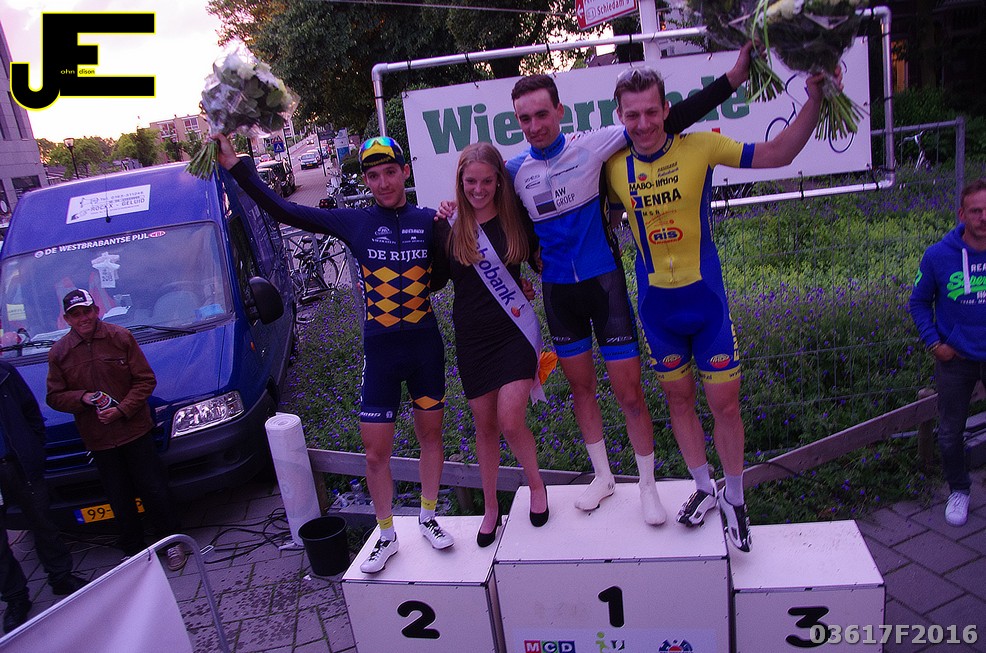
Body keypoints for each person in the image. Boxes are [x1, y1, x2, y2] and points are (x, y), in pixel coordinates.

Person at [504, 48, 752, 524]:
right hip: (558, 293)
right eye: (524, 119)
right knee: (581, 389)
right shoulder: (515, 171)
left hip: (605, 284)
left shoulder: (595, 146)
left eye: (542, 114)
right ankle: (602, 477)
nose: (534, 125)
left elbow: (670, 118)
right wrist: (516, 258)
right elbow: (503, 223)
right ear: (517, 121)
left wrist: (733, 78)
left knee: (631, 394)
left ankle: (647, 488)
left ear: (560, 111)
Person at [604, 65, 828, 552]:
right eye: (632, 115)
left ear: (666, 109)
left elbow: (778, 153)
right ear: (619, 116)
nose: (643, 123)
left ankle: (736, 498)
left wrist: (815, 99)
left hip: (707, 303)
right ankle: (705, 489)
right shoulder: (612, 166)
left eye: (651, 112)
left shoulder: (701, 147)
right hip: (657, 310)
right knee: (679, 401)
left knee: (725, 406)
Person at [215, 133, 453, 573]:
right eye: (373, 175)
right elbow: (285, 210)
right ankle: (386, 534)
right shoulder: (354, 222)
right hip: (381, 352)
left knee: (431, 438)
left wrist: (454, 221)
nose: (383, 182)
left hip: (425, 346)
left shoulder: (428, 220)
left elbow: (461, 262)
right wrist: (237, 168)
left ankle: (428, 517)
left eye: (390, 172)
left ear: (405, 171)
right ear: (366, 180)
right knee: (375, 453)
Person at [432, 142, 549, 546]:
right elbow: (435, 279)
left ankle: (536, 486)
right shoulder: (449, 225)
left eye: (486, 181)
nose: (478, 189)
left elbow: (538, 262)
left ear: (499, 180)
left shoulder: (516, 219)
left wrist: (529, 285)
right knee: (485, 428)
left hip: (513, 333)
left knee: (510, 420)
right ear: (460, 181)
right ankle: (491, 508)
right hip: (472, 339)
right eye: (471, 182)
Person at [45, 289, 189, 570]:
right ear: (67, 319)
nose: (83, 318)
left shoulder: (120, 337)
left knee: (154, 490)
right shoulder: (59, 353)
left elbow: (145, 381)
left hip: (135, 431)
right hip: (99, 440)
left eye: (87, 311)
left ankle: (172, 543)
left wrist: (122, 409)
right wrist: (83, 398)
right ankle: (133, 551)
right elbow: (54, 397)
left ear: (96, 311)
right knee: (119, 498)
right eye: (76, 314)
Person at [909, 178, 986, 527]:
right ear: (962, 214)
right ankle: (959, 490)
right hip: (956, 360)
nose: (983, 217)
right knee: (950, 432)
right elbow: (918, 302)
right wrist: (934, 343)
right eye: (976, 211)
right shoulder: (938, 256)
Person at [0, 360, 87, 632]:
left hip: (19, 464)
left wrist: (34, 449)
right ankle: (16, 599)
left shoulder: (4, 372)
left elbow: (30, 411)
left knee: (43, 523)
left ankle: (61, 577)